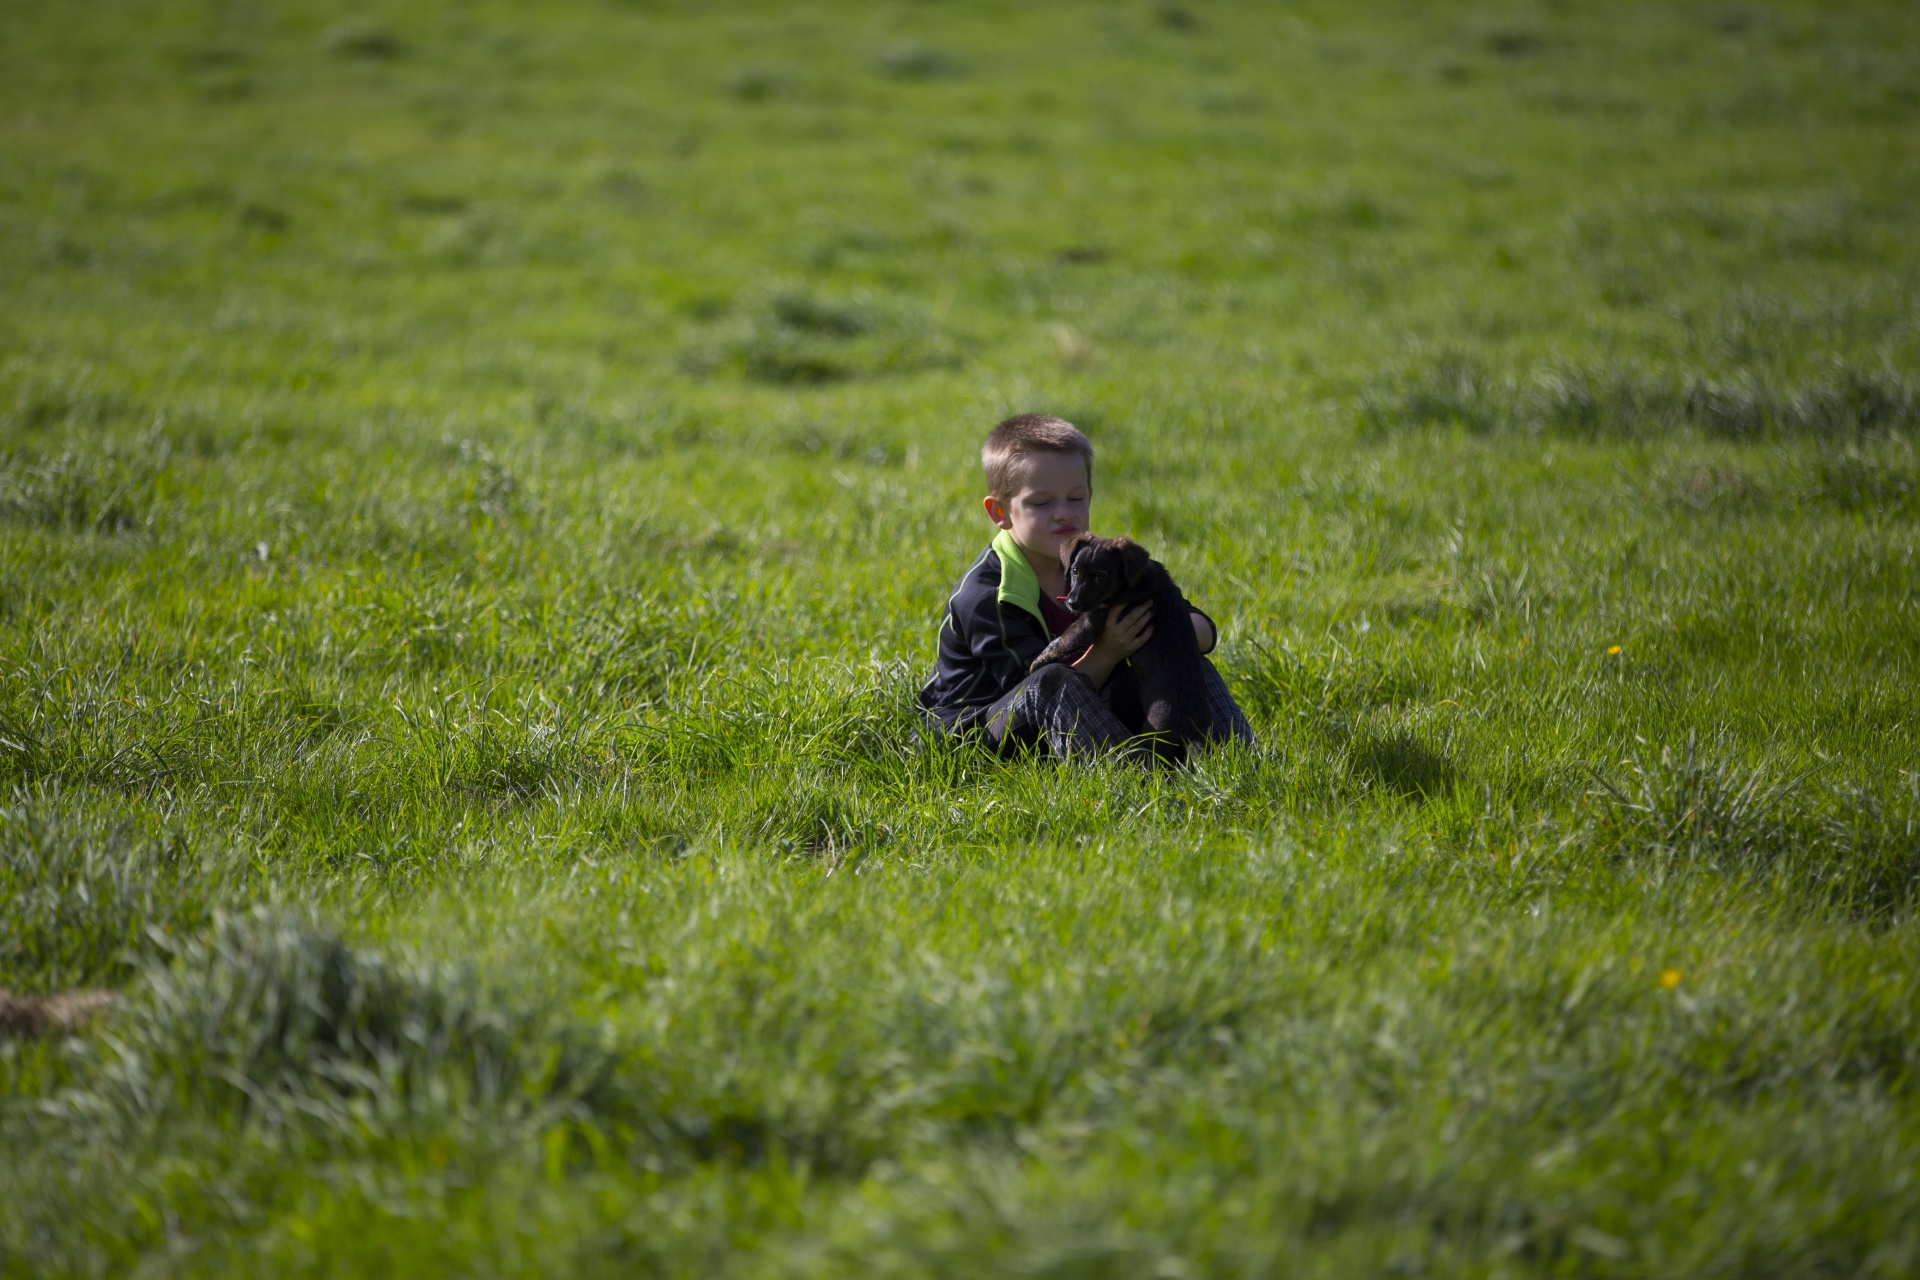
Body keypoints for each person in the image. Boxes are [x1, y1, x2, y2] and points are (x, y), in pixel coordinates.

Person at [917, 413, 1255, 758]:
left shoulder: (1099, 562)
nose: (1064, 513)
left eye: (1075, 498)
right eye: (1042, 502)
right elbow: (1029, 691)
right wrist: (1110, 649)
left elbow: (1204, 631)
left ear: (1090, 496)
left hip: (1076, 712)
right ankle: (1133, 781)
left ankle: (1240, 760)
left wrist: (1168, 633)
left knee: (1185, 655)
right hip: (980, 734)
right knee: (1051, 679)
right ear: (1000, 512)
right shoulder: (987, 594)